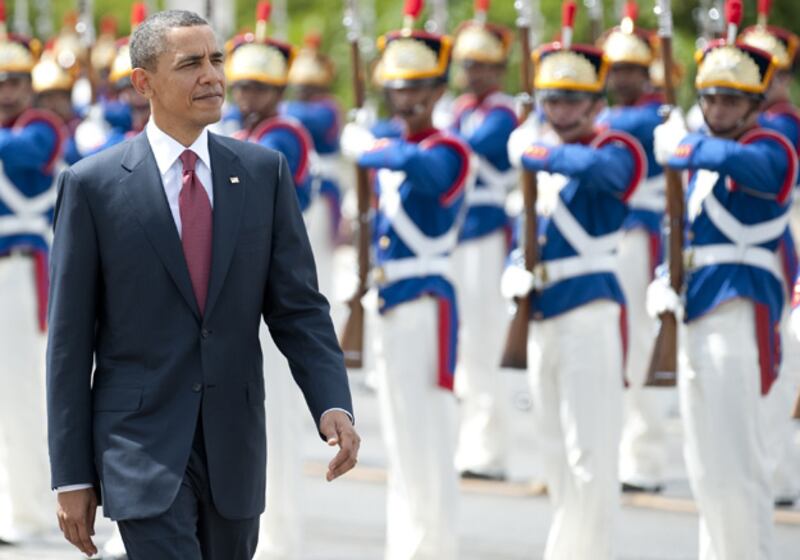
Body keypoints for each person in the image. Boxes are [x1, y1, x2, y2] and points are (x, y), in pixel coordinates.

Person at [46, 11, 359, 560]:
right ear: (143, 83)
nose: (212, 76)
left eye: (216, 59)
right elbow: (70, 344)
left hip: (233, 450)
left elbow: (299, 309)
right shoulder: (92, 186)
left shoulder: (264, 173)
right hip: (139, 449)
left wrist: (333, 401)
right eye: (190, 64)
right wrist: (70, 476)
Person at [652, 27, 797, 559]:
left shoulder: (771, 145)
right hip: (697, 313)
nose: (716, 107)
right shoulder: (705, 159)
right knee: (708, 472)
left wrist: (687, 144)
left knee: (739, 471)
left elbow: (755, 168)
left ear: (755, 102)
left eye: (730, 98)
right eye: (708, 96)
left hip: (740, 316)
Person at [503, 21, 645, 558]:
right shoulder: (538, 152)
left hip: (590, 310)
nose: (559, 110)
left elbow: (602, 172)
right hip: (542, 312)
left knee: (592, 452)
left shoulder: (618, 147)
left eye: (572, 100)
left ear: (594, 103)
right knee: (554, 450)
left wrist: (534, 152)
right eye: (551, 99)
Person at [340, 7, 471, 558]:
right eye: (397, 88)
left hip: (424, 304)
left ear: (439, 89)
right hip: (390, 302)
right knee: (401, 443)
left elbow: (425, 171)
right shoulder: (391, 144)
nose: (405, 97)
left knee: (428, 443)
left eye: (417, 87)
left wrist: (367, 145)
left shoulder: (447, 148)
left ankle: (432, 549)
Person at [224, 6, 331, 558]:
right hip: (242, 285)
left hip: (275, 281)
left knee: (281, 417)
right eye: (242, 83)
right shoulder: (238, 131)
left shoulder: (285, 133)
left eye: (260, 86)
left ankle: (280, 538)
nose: (248, 94)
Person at [597, 1, 669, 494]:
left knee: (638, 340)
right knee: (616, 342)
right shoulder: (617, 113)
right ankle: (626, 448)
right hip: (613, 234)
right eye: (615, 68)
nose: (621, 77)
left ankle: (645, 454)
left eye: (630, 69)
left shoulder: (647, 117)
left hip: (640, 233)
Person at [0, 12, 65, 546]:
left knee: (21, 396)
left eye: (14, 81)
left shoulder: (40, 126)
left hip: (19, 276)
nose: (6, 91)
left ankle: (30, 512)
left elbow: (26, 156)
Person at [448, 1, 517, 482]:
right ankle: (471, 439)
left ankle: (489, 446)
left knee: (484, 339)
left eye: (481, 64)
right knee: (464, 342)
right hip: (456, 232)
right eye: (468, 63)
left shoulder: (503, 113)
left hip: (486, 232)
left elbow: (461, 153)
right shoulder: (459, 109)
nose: (472, 72)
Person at [740, 5, 800, 509]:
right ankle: (772, 470)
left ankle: (776, 471)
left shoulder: (784, 123)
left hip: (779, 239)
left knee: (778, 356)